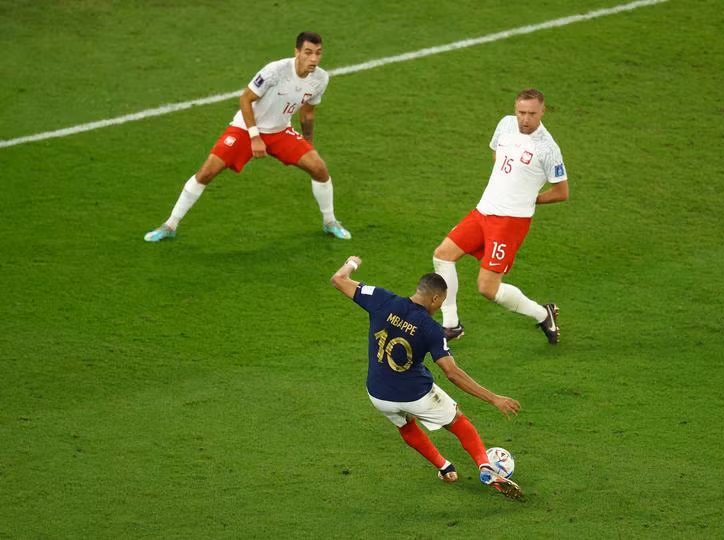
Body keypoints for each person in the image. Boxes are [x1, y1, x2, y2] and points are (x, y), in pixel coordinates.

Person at [330, 255, 524, 500]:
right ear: (434, 298)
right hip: (417, 395)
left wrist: (352, 263)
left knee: (405, 425)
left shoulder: (382, 299)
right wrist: (493, 398)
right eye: (441, 302)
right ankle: (485, 466)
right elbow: (452, 373)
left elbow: (338, 279)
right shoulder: (431, 329)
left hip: (378, 394)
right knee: (458, 421)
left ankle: (445, 468)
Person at [144, 31, 351, 242]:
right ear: (297, 52)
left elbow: (307, 112)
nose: (314, 59)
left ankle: (330, 222)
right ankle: (170, 225)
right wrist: (254, 137)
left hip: (279, 131)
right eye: (308, 53)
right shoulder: (275, 71)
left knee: (319, 168)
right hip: (246, 128)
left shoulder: (320, 78)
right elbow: (245, 99)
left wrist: (308, 145)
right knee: (207, 172)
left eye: (318, 53)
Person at [432, 88, 569, 344]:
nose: (525, 119)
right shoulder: (506, 124)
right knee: (443, 255)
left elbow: (562, 192)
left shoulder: (548, 149)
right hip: (483, 211)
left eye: (531, 114)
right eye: (521, 112)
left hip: (510, 223)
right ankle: (451, 324)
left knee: (487, 288)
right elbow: (498, 155)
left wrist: (532, 197)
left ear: (543, 111)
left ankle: (543, 314)